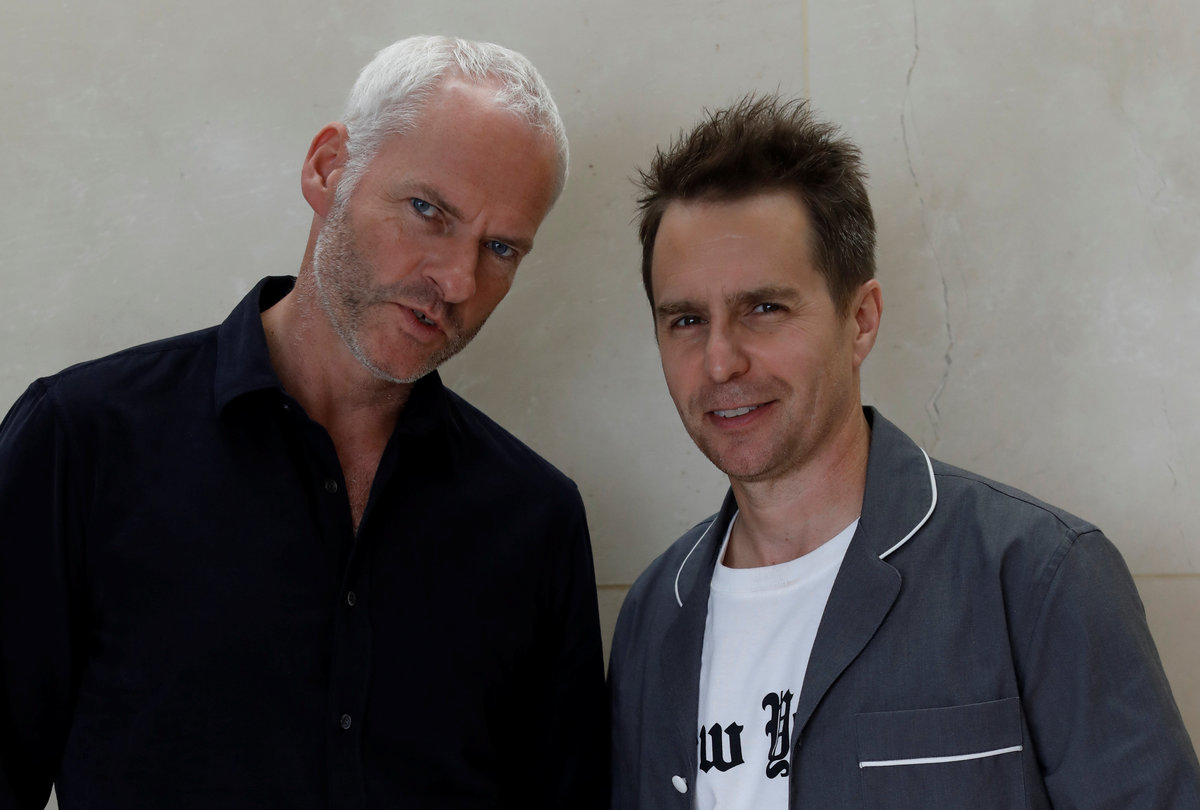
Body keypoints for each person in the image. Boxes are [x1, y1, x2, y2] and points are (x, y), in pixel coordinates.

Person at [0, 35, 607, 810]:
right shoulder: (80, 442)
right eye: (428, 211)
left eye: (500, 248)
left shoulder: (536, 520)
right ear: (328, 168)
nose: (457, 280)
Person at [608, 94, 1200, 809]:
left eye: (764, 308)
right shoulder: (652, 615)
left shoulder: (1039, 577)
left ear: (861, 320)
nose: (720, 361)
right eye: (686, 320)